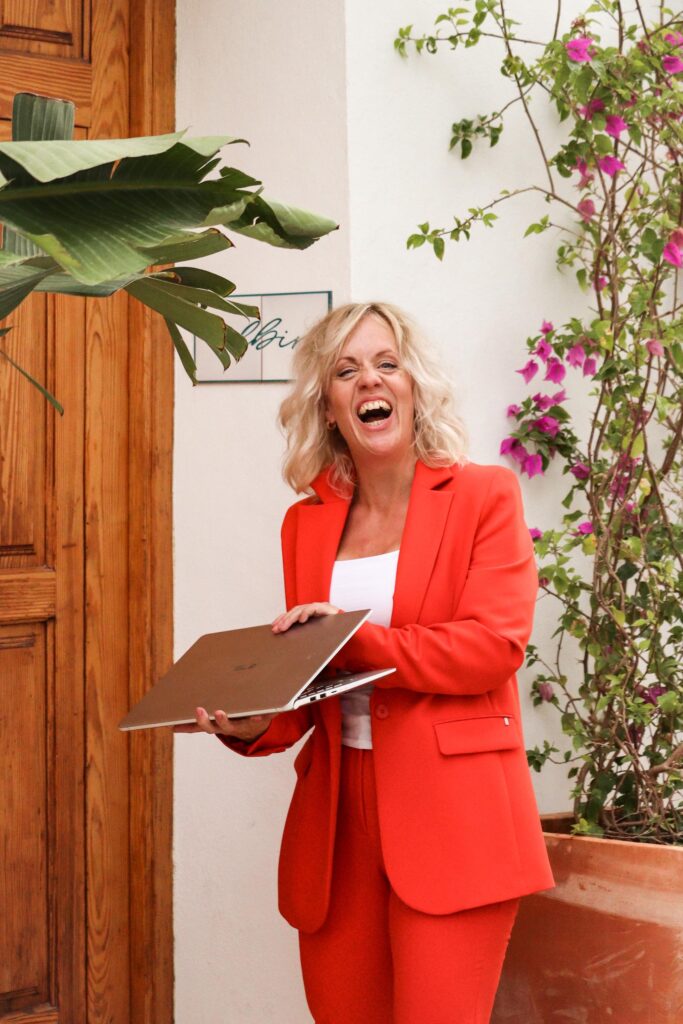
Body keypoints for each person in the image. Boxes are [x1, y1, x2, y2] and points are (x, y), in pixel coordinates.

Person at [177, 302, 555, 1024]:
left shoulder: (484, 495)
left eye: (386, 364)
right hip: (337, 819)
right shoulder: (304, 522)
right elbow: (311, 678)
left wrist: (351, 638)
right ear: (327, 405)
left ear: (414, 386)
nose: (369, 381)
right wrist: (251, 723)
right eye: (346, 371)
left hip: (454, 815)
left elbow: (492, 647)